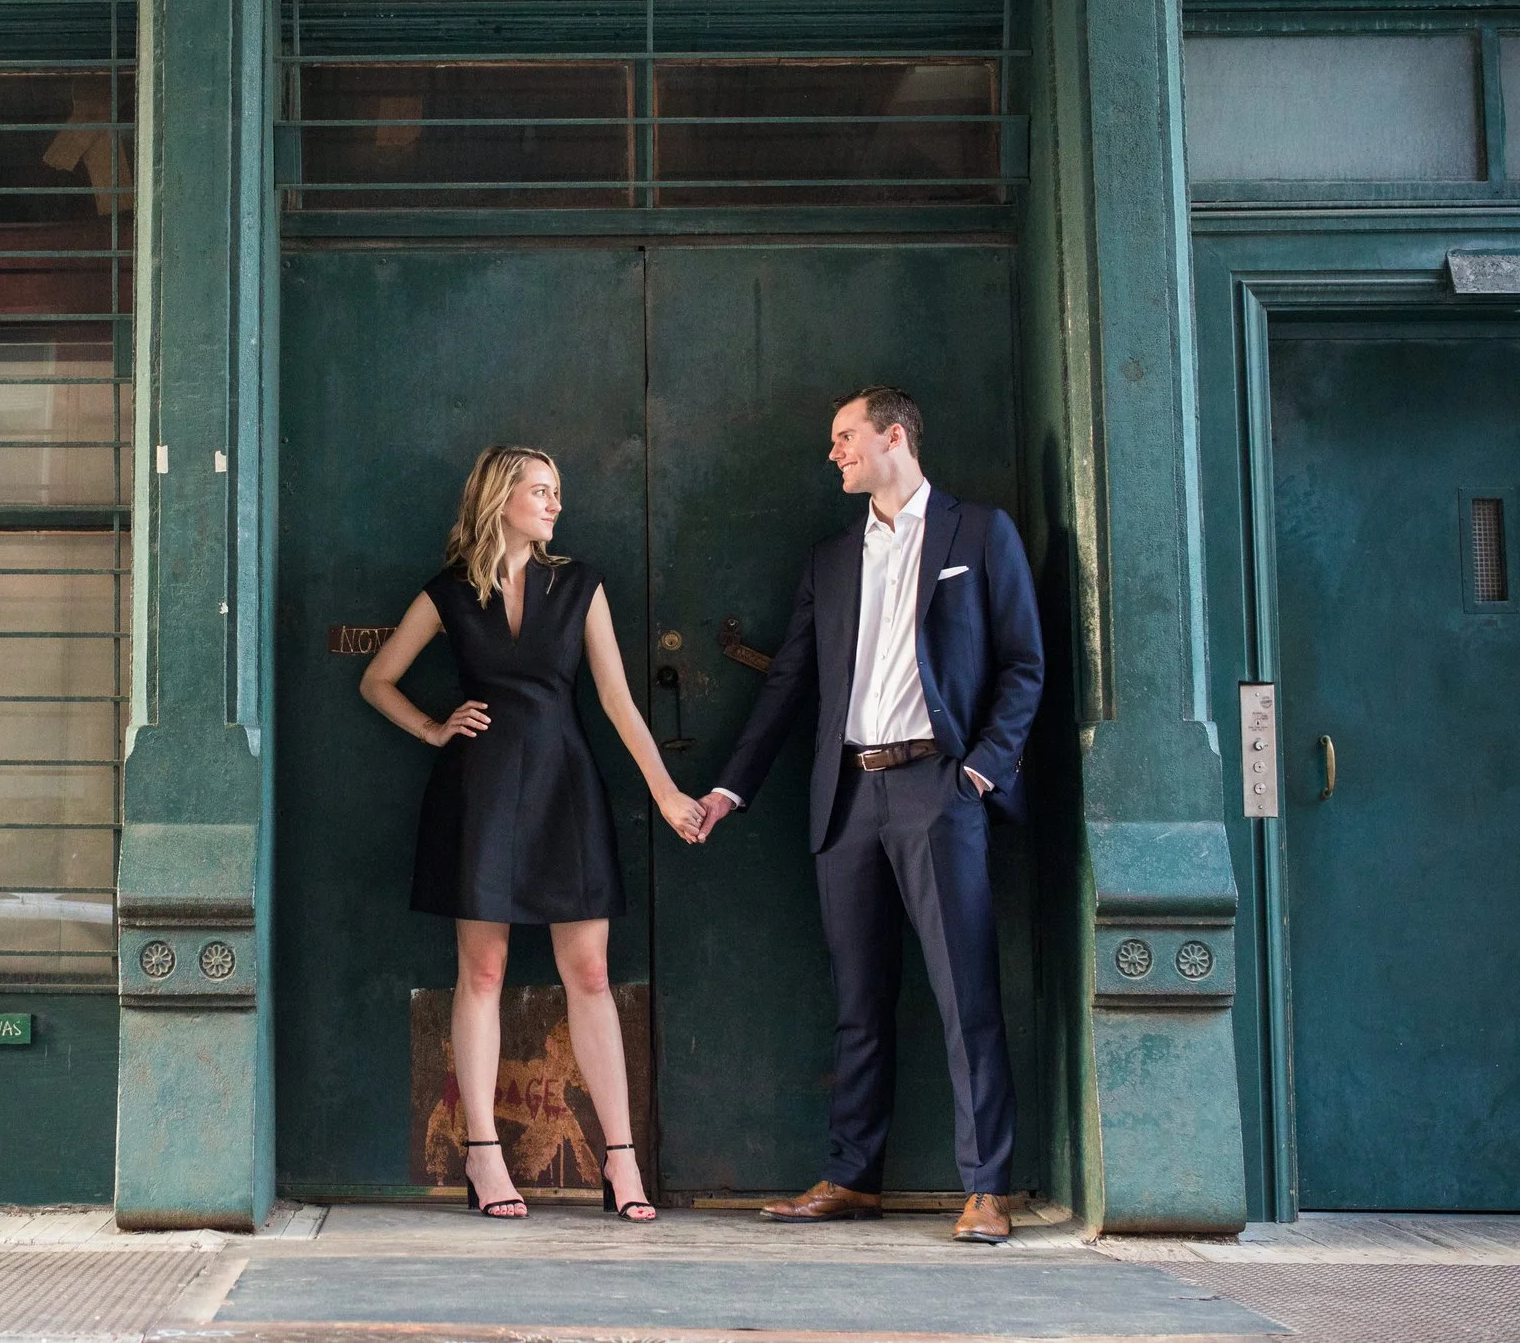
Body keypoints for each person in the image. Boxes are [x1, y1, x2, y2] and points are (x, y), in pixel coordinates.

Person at [698, 388, 1042, 1245]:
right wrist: (728, 788)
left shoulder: (979, 533)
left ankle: (987, 1186)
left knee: (966, 995)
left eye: (844, 437)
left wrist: (981, 774)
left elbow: (1025, 665)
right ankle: (854, 1177)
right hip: (847, 796)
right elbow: (788, 685)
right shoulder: (830, 559)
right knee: (858, 999)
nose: (834, 453)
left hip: (939, 787)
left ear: (895, 437)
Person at [361, 445, 708, 1222]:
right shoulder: (450, 592)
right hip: (478, 793)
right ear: (500, 497)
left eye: (558, 490)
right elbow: (376, 678)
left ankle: (621, 1159)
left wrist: (666, 791)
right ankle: (484, 1153)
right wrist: (431, 727)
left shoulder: (578, 583)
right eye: (541, 490)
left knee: (589, 971)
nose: (554, 504)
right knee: (480, 972)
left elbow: (618, 700)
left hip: (564, 789)